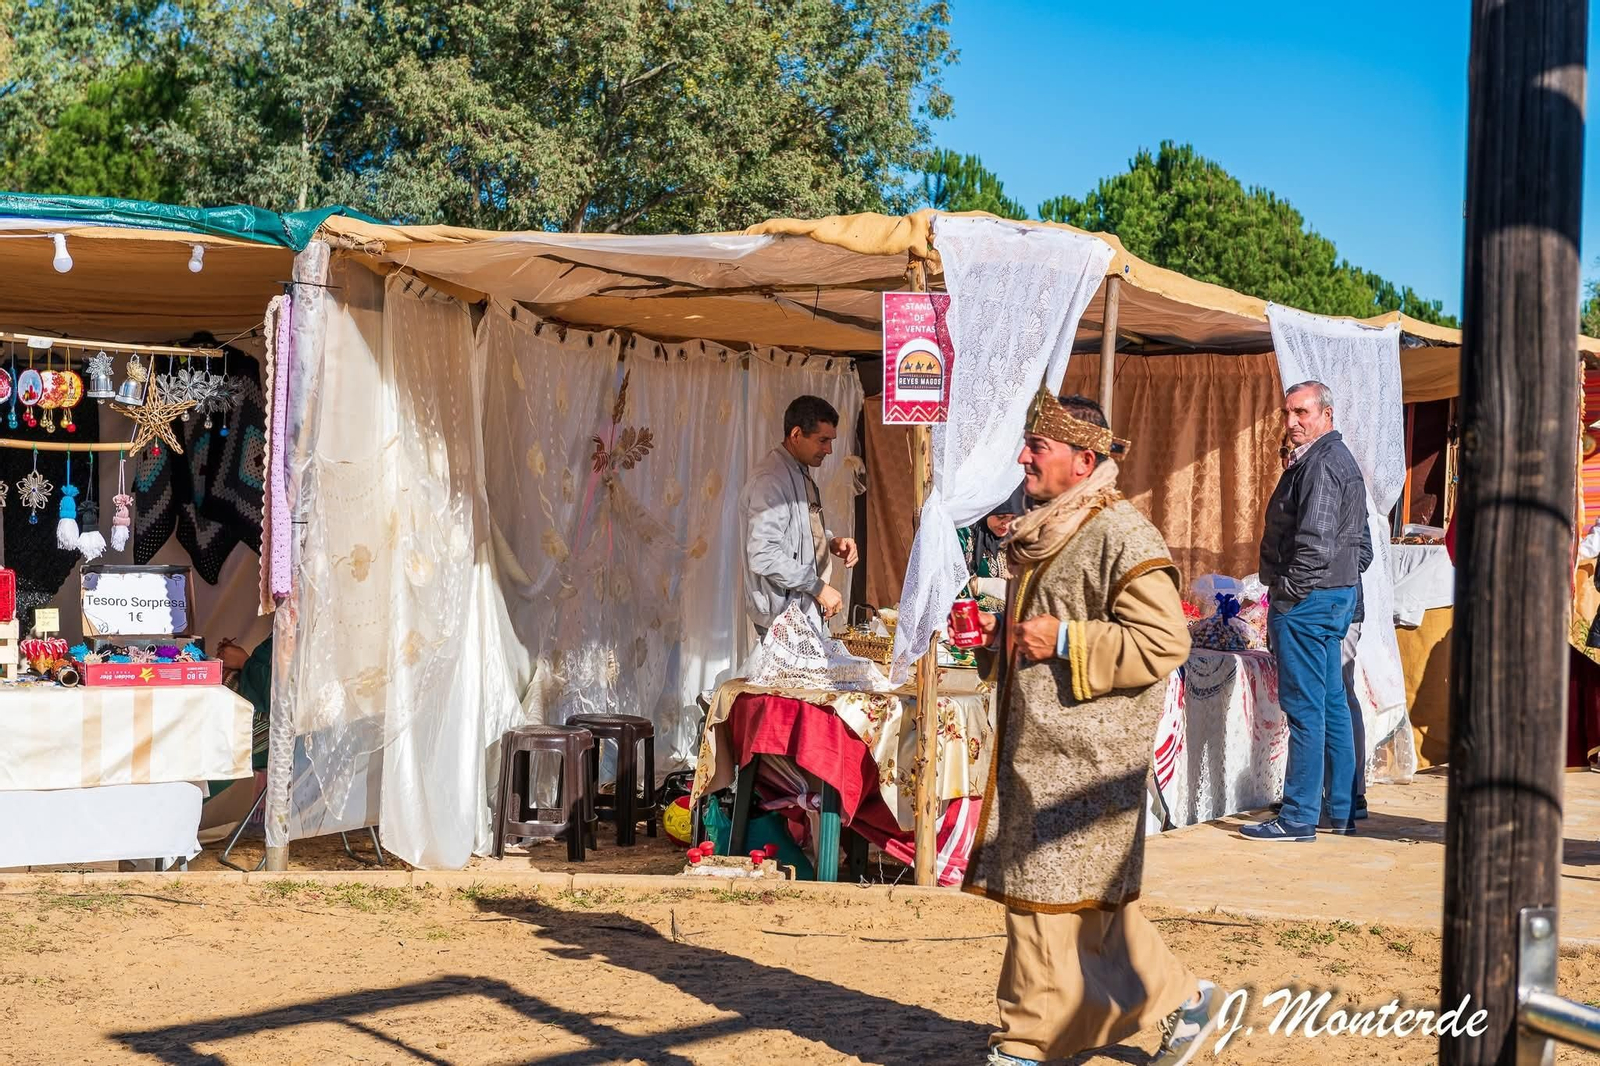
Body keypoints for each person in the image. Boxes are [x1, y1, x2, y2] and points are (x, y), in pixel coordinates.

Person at [965, 390, 1218, 1066]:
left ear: (1083, 461)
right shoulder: (1050, 527)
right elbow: (1046, 629)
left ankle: (1024, 1046)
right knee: (1088, 911)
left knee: (1039, 903)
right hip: (1041, 750)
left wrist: (1070, 641)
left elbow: (1167, 643)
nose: (1023, 457)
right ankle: (1185, 998)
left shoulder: (1119, 532)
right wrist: (1004, 636)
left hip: (1088, 759)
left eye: (1037, 447)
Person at [1249, 380, 1368, 842]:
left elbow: (1316, 544)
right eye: (1287, 413)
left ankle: (1298, 816)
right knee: (1332, 702)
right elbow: (1360, 550)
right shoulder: (1338, 461)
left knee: (1305, 709)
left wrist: (1288, 593)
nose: (1292, 422)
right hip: (1333, 595)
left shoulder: (1322, 464)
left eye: (1301, 412)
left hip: (1309, 600)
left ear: (1326, 414)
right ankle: (1339, 811)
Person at [739, 395, 857, 638]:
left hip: (802, 614)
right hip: (783, 621)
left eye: (830, 441)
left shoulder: (796, 470)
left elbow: (796, 531)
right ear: (795, 435)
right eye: (822, 440)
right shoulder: (771, 481)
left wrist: (830, 542)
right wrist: (817, 587)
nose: (829, 449)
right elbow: (763, 554)